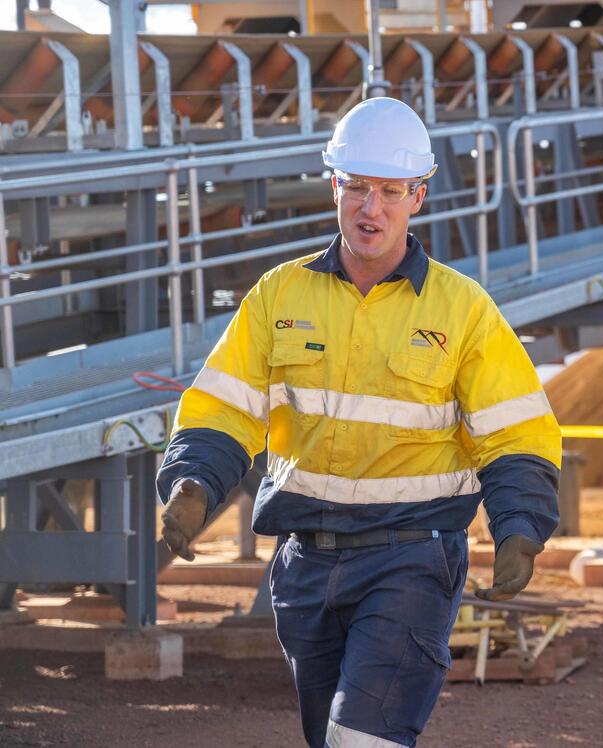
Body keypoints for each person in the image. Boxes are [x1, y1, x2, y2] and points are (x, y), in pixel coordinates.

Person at [156, 97, 561, 747]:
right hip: (305, 567)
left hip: (411, 559)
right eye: (358, 188)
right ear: (335, 186)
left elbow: (514, 431)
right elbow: (226, 407)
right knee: (332, 739)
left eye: (390, 191)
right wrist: (194, 484)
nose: (371, 208)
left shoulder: (462, 311)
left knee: (362, 740)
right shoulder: (278, 296)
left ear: (418, 197)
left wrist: (521, 525)